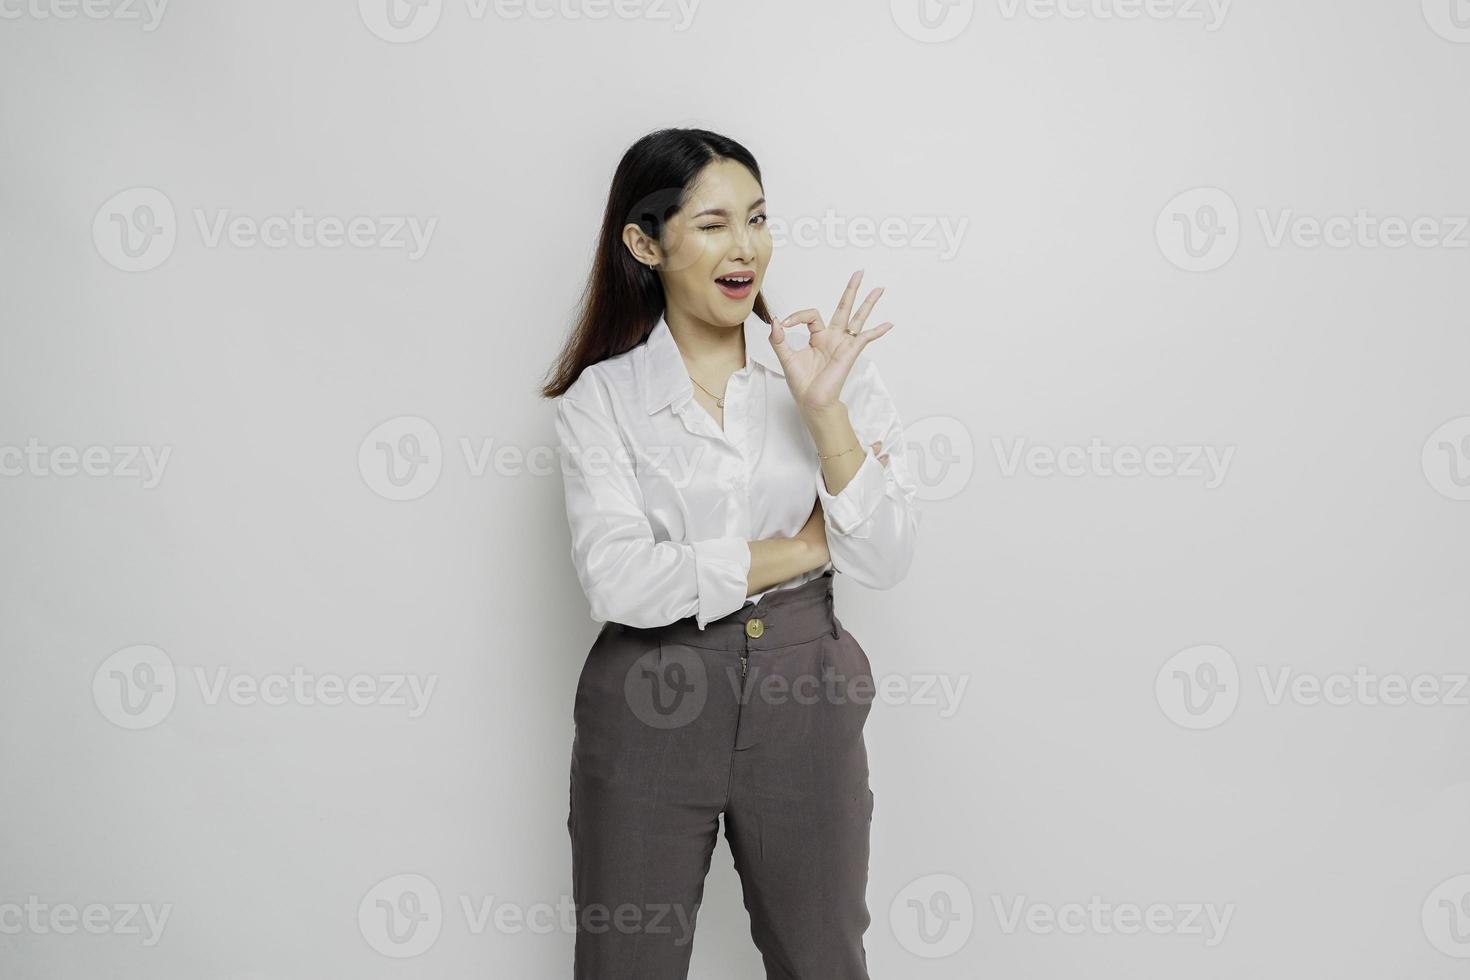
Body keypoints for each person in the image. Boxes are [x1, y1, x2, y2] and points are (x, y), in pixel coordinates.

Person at [540, 127, 922, 979]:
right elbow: (621, 582)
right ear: (645, 243)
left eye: (756, 218)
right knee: (624, 963)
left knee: (822, 957)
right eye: (712, 224)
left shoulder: (829, 372)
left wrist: (823, 411)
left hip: (806, 689)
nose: (744, 246)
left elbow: (885, 557)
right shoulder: (601, 401)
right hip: (650, 690)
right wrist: (801, 550)